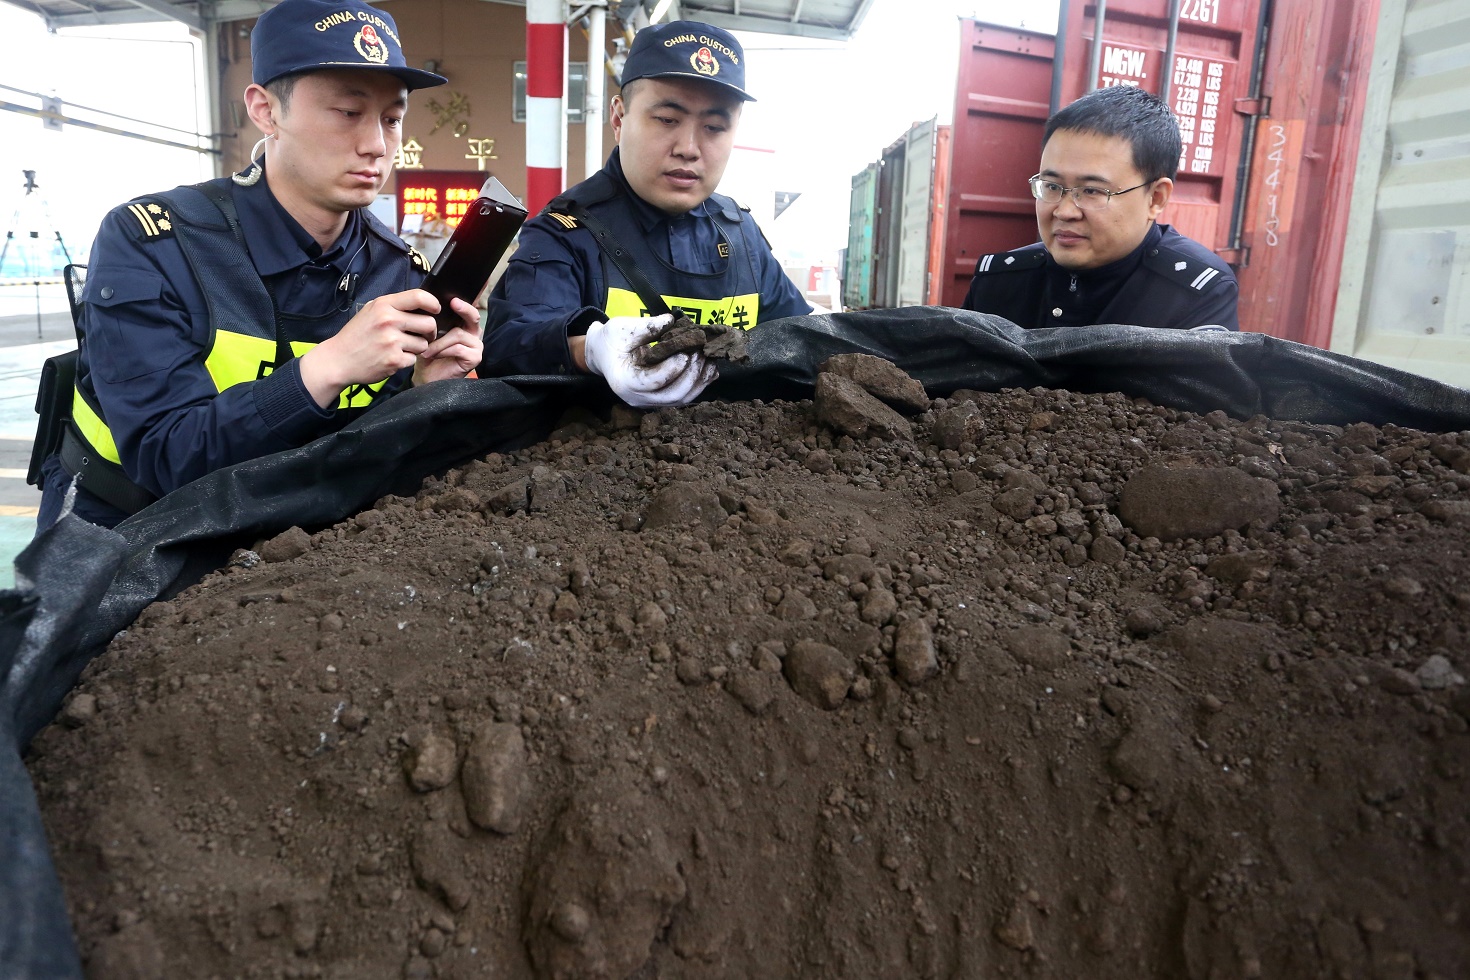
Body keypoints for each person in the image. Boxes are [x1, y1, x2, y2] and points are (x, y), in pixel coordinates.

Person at [37, 0, 485, 531]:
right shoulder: (155, 243)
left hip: (282, 532)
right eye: (347, 112)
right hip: (119, 522)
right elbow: (165, 457)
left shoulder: (398, 271)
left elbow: (362, 454)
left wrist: (422, 392)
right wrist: (328, 366)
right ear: (266, 110)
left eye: (392, 120)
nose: (376, 146)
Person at [481, 20, 812, 403]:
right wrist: (589, 350)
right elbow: (506, 348)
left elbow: (805, 340)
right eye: (667, 120)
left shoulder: (742, 238)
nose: (689, 147)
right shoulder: (566, 233)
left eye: (715, 127)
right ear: (619, 118)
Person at [962, 84, 1238, 332]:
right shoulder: (999, 283)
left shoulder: (1195, 295)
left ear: (1155, 198)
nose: (1064, 211)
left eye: (1092, 191)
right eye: (1052, 186)